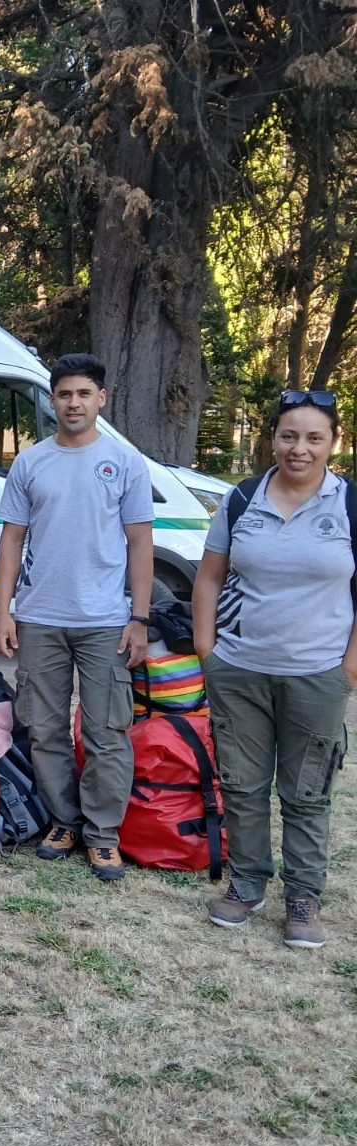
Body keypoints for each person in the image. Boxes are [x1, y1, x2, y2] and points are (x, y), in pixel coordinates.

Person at [193, 390, 355, 949]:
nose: (300, 448)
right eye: (289, 435)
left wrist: (348, 669)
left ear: (333, 443)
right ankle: (246, 884)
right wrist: (207, 650)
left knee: (307, 792)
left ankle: (303, 898)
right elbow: (209, 578)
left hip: (317, 674)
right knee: (241, 784)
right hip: (239, 669)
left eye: (314, 438)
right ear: (273, 439)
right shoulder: (241, 500)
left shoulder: (350, 506)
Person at [0, 353, 154, 882]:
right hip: (40, 617)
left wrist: (140, 617)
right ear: (52, 399)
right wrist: (4, 611)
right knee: (45, 729)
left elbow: (139, 543)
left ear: (100, 398)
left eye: (84, 393)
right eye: (64, 394)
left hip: (106, 619)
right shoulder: (31, 462)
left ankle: (103, 834)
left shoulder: (125, 462)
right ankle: (64, 822)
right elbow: (12, 538)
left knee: (108, 732)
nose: (74, 403)